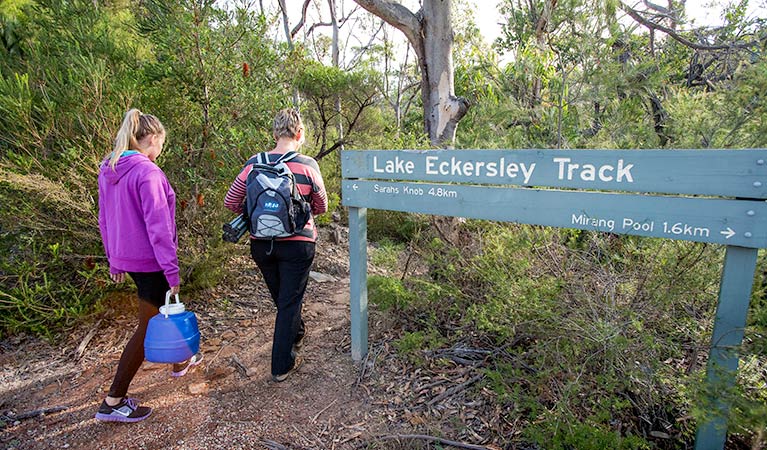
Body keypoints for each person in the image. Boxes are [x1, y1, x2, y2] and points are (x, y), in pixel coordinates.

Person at [95, 108, 202, 423]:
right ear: (152, 139)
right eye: (161, 143)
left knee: (163, 311)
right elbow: (159, 228)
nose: (160, 150)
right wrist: (171, 270)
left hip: (128, 259)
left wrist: (114, 259)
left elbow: (105, 220)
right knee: (148, 326)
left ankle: (181, 360)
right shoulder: (148, 173)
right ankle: (114, 401)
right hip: (150, 260)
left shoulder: (109, 168)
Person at [224, 108, 328, 382]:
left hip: (262, 244)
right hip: (298, 244)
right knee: (289, 301)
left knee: (284, 299)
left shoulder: (253, 164)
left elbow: (230, 202)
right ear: (300, 134)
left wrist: (256, 211)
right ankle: (282, 365)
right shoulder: (308, 165)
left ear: (274, 134)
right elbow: (322, 206)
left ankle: (297, 331)